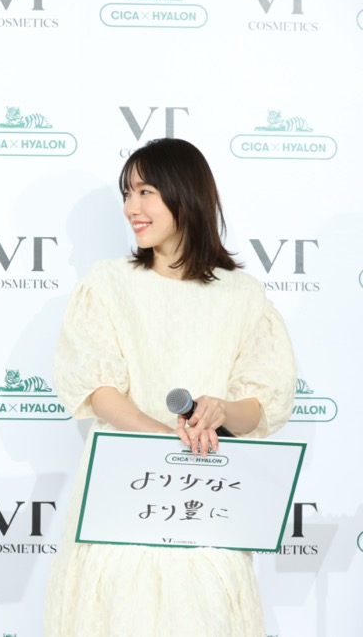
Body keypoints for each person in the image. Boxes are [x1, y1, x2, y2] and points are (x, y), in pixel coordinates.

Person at [43, 138, 296, 636]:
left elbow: (262, 404)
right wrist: (165, 441)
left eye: (146, 192)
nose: (131, 208)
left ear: (185, 194)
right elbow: (98, 389)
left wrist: (221, 411)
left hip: (207, 498)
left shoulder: (243, 295)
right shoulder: (108, 283)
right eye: (127, 193)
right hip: (124, 493)